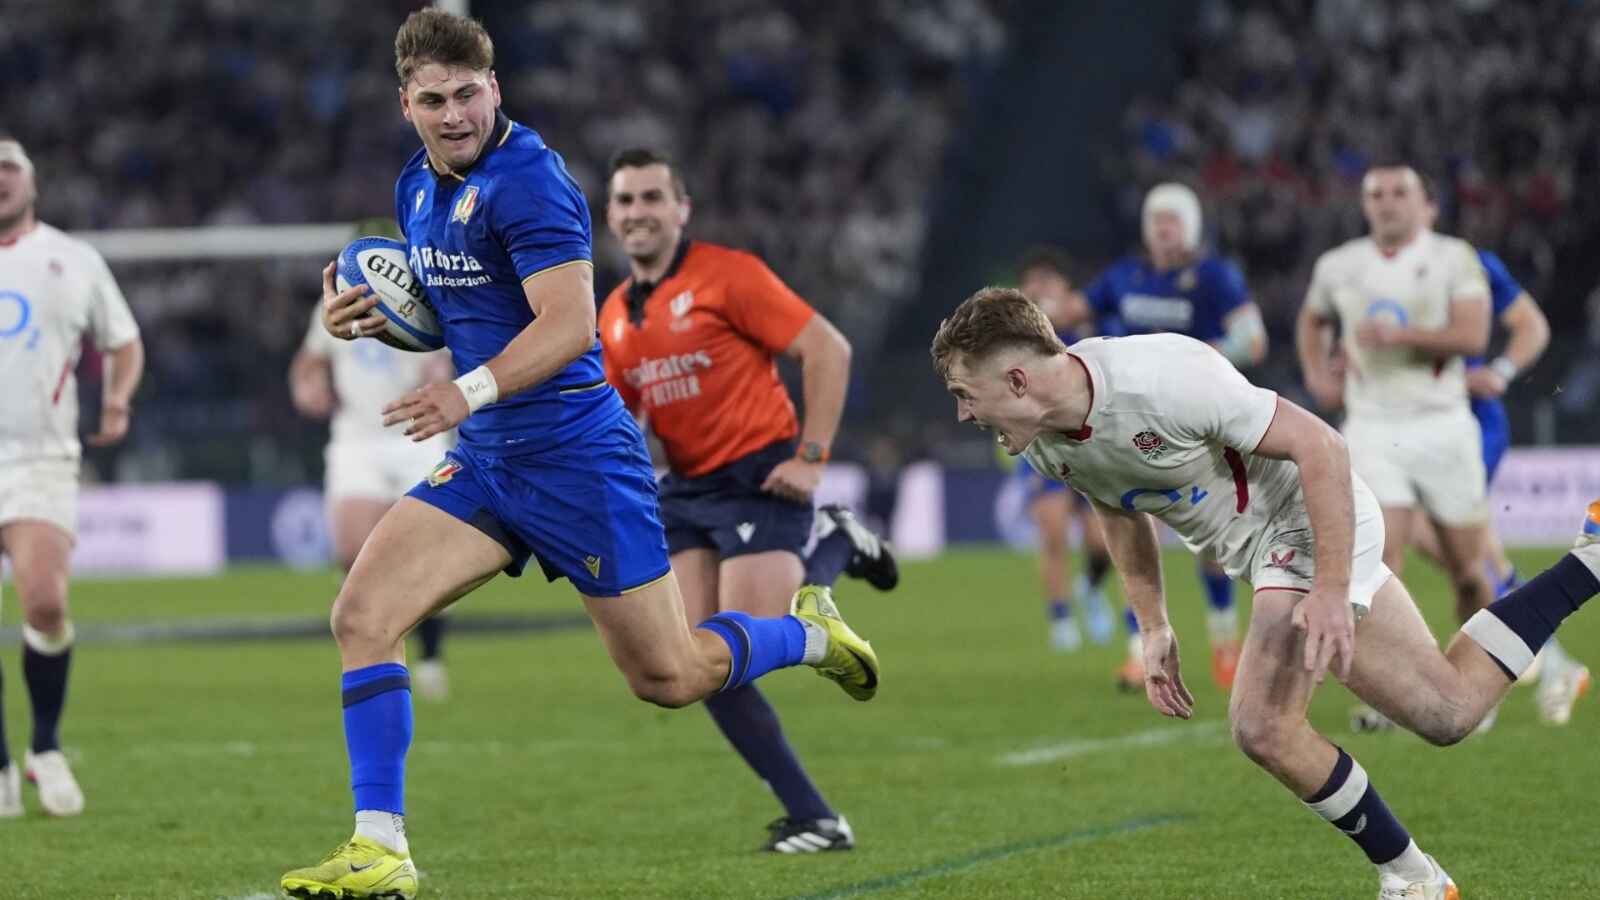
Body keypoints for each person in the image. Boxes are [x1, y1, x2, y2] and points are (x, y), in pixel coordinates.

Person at [279, 12, 879, 899]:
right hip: (490, 462)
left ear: (495, 87)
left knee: (669, 676)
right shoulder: (415, 187)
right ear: (406, 104)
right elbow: (453, 309)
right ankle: (381, 848)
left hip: (577, 459)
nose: (455, 114)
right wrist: (360, 318)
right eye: (435, 100)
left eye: (469, 94)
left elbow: (566, 326)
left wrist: (464, 392)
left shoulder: (532, 180)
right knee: (362, 616)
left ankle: (807, 633)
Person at [932, 286, 1600, 898]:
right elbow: (1117, 509)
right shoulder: (1044, 442)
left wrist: (1331, 588)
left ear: (1016, 379)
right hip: (1268, 556)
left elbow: (1321, 447)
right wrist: (1154, 624)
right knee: (1447, 711)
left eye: (965, 392)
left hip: (1307, 517)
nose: (963, 413)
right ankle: (1590, 560)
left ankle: (1413, 878)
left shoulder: (1164, 379)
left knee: (1262, 724)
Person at [597, 147, 898, 852]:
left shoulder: (728, 274)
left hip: (760, 478)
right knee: (693, 665)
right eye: (626, 200)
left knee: (748, 641)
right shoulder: (612, 314)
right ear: (610, 215)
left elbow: (828, 349)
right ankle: (816, 818)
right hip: (685, 491)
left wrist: (812, 458)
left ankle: (836, 543)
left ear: (682, 210)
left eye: (652, 197)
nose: (638, 212)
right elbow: (619, 421)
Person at [0, 137, 144, 819]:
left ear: (32, 183)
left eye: (9, 168)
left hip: (40, 457)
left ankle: (46, 747)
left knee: (46, 603)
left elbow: (124, 340)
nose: (0, 179)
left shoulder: (74, 258)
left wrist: (117, 399)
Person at [1084, 183, 1267, 690]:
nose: (1164, 229)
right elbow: (1077, 311)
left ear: (1191, 227)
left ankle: (1224, 643)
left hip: (1198, 420)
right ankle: (1138, 652)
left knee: (1211, 544)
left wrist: (1204, 356)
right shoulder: (1125, 277)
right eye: (1157, 220)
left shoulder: (1215, 276)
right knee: (1134, 532)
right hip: (1133, 421)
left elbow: (1253, 340)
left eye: (1173, 220)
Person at [1400, 246, 1589, 725]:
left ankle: (1508, 670)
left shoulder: (1466, 262)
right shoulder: (1367, 268)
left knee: (1461, 548)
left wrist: (1501, 371)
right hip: (1413, 430)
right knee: (1472, 556)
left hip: (1467, 428)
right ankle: (1533, 663)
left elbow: (1531, 324)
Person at [288, 307, 456, 700]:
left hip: (418, 431)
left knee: (427, 558)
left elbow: (449, 358)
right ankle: (369, 647)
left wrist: (441, 373)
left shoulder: (426, 292)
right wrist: (307, 385)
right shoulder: (336, 300)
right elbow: (309, 360)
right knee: (351, 551)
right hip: (358, 436)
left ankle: (430, 657)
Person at [1015, 247, 1114, 652]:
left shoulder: (1089, 331)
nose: (1039, 289)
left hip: (1089, 446)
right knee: (1053, 534)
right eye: (1032, 282)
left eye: (1047, 281)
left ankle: (1090, 586)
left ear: (1067, 290)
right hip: (1041, 446)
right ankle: (1060, 620)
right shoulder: (1013, 338)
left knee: (1101, 544)